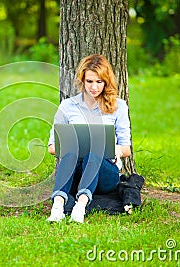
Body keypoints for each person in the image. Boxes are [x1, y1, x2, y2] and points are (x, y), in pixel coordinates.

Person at [47, 54, 132, 223]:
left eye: (99, 82)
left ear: (106, 82)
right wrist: (73, 146)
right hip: (75, 172)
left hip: (104, 173)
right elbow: (52, 148)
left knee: (94, 153)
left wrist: (115, 149)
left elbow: (126, 149)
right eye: (90, 81)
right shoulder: (68, 106)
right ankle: (57, 207)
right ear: (82, 80)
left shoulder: (118, 106)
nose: (94, 87)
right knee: (70, 152)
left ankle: (80, 207)